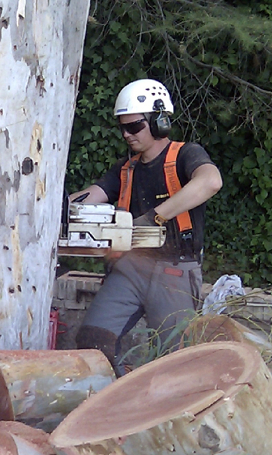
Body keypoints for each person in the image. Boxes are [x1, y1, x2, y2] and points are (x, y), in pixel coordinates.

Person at [69, 79, 222, 376]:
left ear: (160, 121)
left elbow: (211, 181)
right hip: (130, 268)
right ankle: (113, 404)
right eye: (122, 127)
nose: (127, 134)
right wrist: (56, 209)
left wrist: (154, 217)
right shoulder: (126, 169)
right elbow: (91, 195)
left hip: (174, 271)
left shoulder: (185, 155)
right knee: (92, 343)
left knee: (175, 362)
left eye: (135, 126)